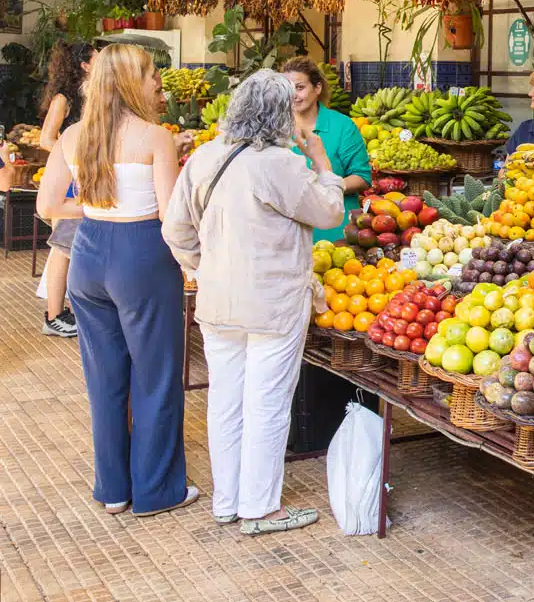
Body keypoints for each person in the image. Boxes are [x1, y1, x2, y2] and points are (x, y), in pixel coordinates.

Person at [163, 70, 345, 535]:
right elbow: (328, 212)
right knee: (266, 402)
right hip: (274, 304)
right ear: (281, 113)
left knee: (225, 400)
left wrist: (206, 267)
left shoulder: (204, 156)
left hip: (218, 301)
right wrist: (323, 163)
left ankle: (227, 502)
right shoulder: (280, 163)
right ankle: (260, 509)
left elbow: (174, 230)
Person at [36, 44, 196, 517]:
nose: (157, 84)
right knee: (156, 376)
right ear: (130, 81)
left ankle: (113, 490)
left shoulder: (73, 136)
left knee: (104, 380)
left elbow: (48, 206)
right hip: (142, 255)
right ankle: (156, 491)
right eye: (151, 75)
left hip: (88, 256)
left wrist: (95, 209)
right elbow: (170, 217)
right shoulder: (155, 136)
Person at [37, 41, 95, 337]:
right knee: (63, 248)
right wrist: (71, 153)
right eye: (96, 57)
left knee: (76, 248)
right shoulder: (65, 98)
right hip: (70, 179)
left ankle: (71, 309)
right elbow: (46, 138)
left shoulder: (94, 95)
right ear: (84, 64)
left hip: (85, 176)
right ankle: (54, 315)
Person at [281, 58, 372, 244]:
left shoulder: (343, 126)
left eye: (299, 87)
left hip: (334, 230)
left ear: (317, 88)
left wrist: (326, 188)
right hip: (289, 232)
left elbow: (362, 177)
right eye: (287, 89)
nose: (293, 95)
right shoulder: (276, 128)